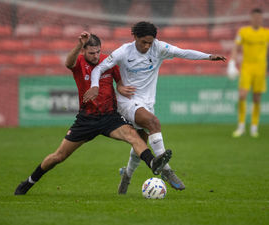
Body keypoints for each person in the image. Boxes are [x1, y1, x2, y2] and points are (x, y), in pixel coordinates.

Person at [14, 32, 172, 195]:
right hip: (86, 120)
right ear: (84, 51)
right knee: (59, 156)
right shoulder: (79, 62)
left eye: (98, 52)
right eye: (91, 53)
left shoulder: (108, 61)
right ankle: (29, 181)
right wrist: (78, 45)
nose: (96, 56)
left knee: (133, 136)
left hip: (109, 117)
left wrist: (120, 87)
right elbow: (68, 63)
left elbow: (119, 82)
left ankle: (152, 162)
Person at [83, 21, 226, 194]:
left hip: (147, 103)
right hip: (128, 101)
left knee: (141, 142)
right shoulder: (124, 51)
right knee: (153, 123)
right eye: (143, 42)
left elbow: (183, 52)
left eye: (150, 42)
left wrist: (207, 56)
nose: (147, 46)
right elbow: (98, 69)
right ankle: (167, 171)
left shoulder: (158, 48)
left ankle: (127, 176)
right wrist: (95, 85)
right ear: (135, 37)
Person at [227, 8, 269, 138]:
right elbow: (235, 47)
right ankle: (241, 126)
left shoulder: (266, 33)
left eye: (259, 17)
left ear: (262, 19)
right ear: (251, 18)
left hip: (261, 68)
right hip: (247, 67)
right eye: (255, 17)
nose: (257, 19)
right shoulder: (244, 32)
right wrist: (232, 63)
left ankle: (254, 127)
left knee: (257, 97)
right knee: (242, 95)